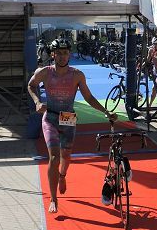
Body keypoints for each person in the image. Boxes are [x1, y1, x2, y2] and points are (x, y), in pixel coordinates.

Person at [28, 38, 116, 214]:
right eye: (59, 53)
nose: (62, 57)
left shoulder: (77, 75)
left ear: (70, 54)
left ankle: (62, 176)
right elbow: (31, 85)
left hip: (68, 117)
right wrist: (37, 101)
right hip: (51, 117)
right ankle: (53, 198)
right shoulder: (44, 72)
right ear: (53, 54)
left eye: (65, 53)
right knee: (54, 157)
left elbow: (89, 98)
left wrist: (105, 112)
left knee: (66, 156)